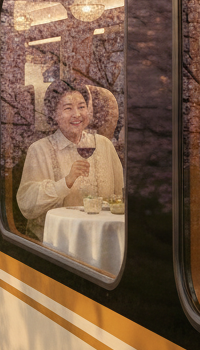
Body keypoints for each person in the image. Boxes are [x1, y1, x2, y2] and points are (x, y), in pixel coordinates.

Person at [17, 80, 124, 240]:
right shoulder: (39, 150)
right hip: (59, 241)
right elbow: (27, 205)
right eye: (68, 108)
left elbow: (120, 194)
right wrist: (66, 182)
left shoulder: (104, 145)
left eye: (82, 107)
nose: (77, 114)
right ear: (54, 114)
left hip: (103, 236)